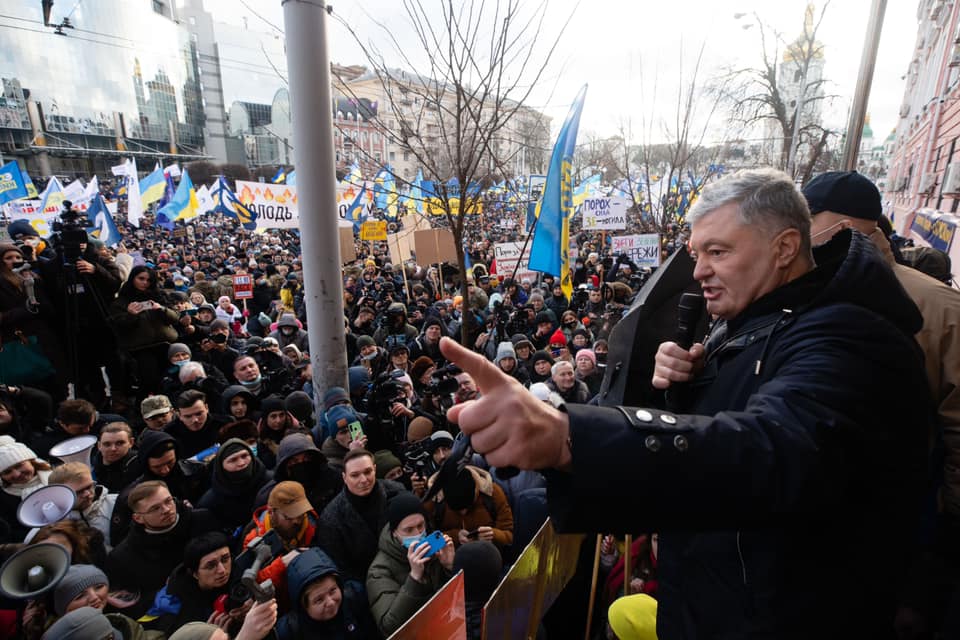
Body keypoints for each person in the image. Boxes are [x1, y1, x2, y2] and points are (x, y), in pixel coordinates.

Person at [438, 168, 933, 638]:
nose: (699, 272)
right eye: (696, 253)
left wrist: (569, 438)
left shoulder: (851, 337)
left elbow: (768, 450)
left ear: (784, 247)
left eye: (717, 252)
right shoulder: (751, 320)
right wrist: (687, 389)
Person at [107, 480, 220, 618]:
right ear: (138, 518)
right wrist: (157, 598)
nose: (166, 510)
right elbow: (126, 604)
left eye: (168, 501)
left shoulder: (203, 520)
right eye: (155, 508)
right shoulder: (122, 557)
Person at [366, 492, 455, 636]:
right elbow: (389, 627)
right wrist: (414, 578)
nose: (417, 534)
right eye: (408, 530)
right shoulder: (379, 571)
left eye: (421, 526)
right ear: (394, 532)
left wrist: (449, 567)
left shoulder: (433, 549)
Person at [317, 449, 406, 584]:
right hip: (367, 585)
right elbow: (342, 570)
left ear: (375, 469)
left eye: (367, 472)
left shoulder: (396, 492)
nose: (363, 480)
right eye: (355, 475)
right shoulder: (331, 519)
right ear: (344, 477)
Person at [141, 532, 241, 634]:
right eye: (211, 566)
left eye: (225, 559)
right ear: (195, 574)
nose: (222, 570)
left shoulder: (239, 569)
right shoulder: (176, 609)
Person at [242, 480, 321, 610]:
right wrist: (282, 565)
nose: (296, 521)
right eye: (289, 517)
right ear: (271, 512)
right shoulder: (253, 539)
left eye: (300, 514)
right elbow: (251, 583)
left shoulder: (313, 526)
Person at [109, 266, 181, 399]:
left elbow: (175, 317)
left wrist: (161, 309)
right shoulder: (121, 302)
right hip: (141, 348)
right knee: (149, 380)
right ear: (133, 279)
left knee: (172, 378)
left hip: (167, 344)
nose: (144, 283)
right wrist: (131, 315)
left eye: (148, 280)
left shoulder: (159, 295)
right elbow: (118, 325)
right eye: (141, 279)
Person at [275, 547, 377, 639]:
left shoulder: (356, 597)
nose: (330, 602)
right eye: (319, 600)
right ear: (303, 607)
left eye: (333, 591)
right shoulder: (290, 633)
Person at [196, 438, 270, 533]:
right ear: (221, 467)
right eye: (233, 460)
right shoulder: (210, 503)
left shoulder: (270, 481)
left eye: (244, 456)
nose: (241, 463)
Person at [45, 461, 117, 548]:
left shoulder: (116, 502)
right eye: (78, 492)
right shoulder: (56, 523)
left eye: (89, 486)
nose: (87, 494)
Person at [0, 436, 51, 541]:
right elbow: (12, 532)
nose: (17, 474)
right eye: (7, 472)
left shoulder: (56, 475)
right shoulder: (3, 497)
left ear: (31, 461)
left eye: (19, 465)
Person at [92, 422, 141, 493]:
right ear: (99, 446)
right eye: (107, 444)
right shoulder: (96, 461)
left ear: (131, 442)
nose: (113, 449)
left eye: (120, 443)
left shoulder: (139, 464)